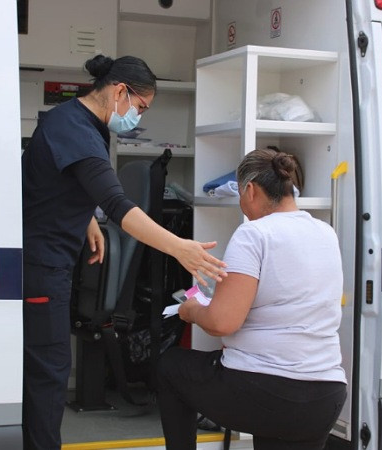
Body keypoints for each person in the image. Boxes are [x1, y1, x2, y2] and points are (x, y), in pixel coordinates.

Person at [21, 54, 227, 450]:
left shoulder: (71, 121)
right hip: (42, 266)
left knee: (47, 369)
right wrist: (179, 247)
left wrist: (84, 220)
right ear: (120, 91)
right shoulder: (76, 129)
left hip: (50, 262)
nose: (137, 116)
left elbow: (50, 179)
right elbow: (118, 204)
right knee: (48, 374)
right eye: (141, 107)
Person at [157, 149, 347, 450]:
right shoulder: (325, 232)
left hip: (265, 392)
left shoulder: (254, 234)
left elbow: (222, 322)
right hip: (325, 396)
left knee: (170, 366)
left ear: (249, 189)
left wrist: (191, 310)